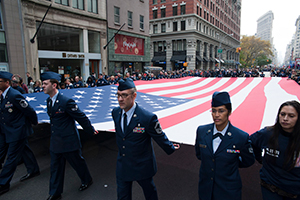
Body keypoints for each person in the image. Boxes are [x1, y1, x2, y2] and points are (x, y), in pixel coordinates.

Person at [112, 78, 180, 200]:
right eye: (118, 95)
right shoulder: (115, 113)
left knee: (149, 192)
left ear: (134, 96)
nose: (120, 99)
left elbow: (159, 136)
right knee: (122, 195)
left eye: (124, 95)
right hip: (123, 164)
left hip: (141, 165)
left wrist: (170, 147)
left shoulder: (147, 118)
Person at [41, 71, 98, 200]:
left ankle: (87, 180)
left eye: (45, 84)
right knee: (55, 167)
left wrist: (90, 130)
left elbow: (80, 117)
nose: (42, 86)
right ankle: (55, 193)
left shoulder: (66, 101)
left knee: (77, 163)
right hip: (56, 141)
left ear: (54, 85)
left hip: (68, 140)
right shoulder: (49, 102)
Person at [195, 91, 255, 200]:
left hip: (228, 192)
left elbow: (248, 160)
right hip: (206, 190)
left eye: (221, 111)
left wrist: (230, 163)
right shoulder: (202, 131)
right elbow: (199, 155)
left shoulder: (240, 137)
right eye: (213, 111)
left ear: (229, 112)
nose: (216, 115)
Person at [250, 101, 300, 200]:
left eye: (291, 116)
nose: (285, 119)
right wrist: (260, 159)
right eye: (282, 114)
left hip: (295, 190)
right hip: (271, 187)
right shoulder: (267, 133)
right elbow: (250, 143)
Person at [0, 71, 40, 195]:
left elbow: (29, 110)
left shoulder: (14, 95)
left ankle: (3, 184)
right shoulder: (3, 96)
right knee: (24, 150)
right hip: (7, 130)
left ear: (7, 83)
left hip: (17, 131)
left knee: (11, 158)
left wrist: (34, 123)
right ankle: (33, 169)